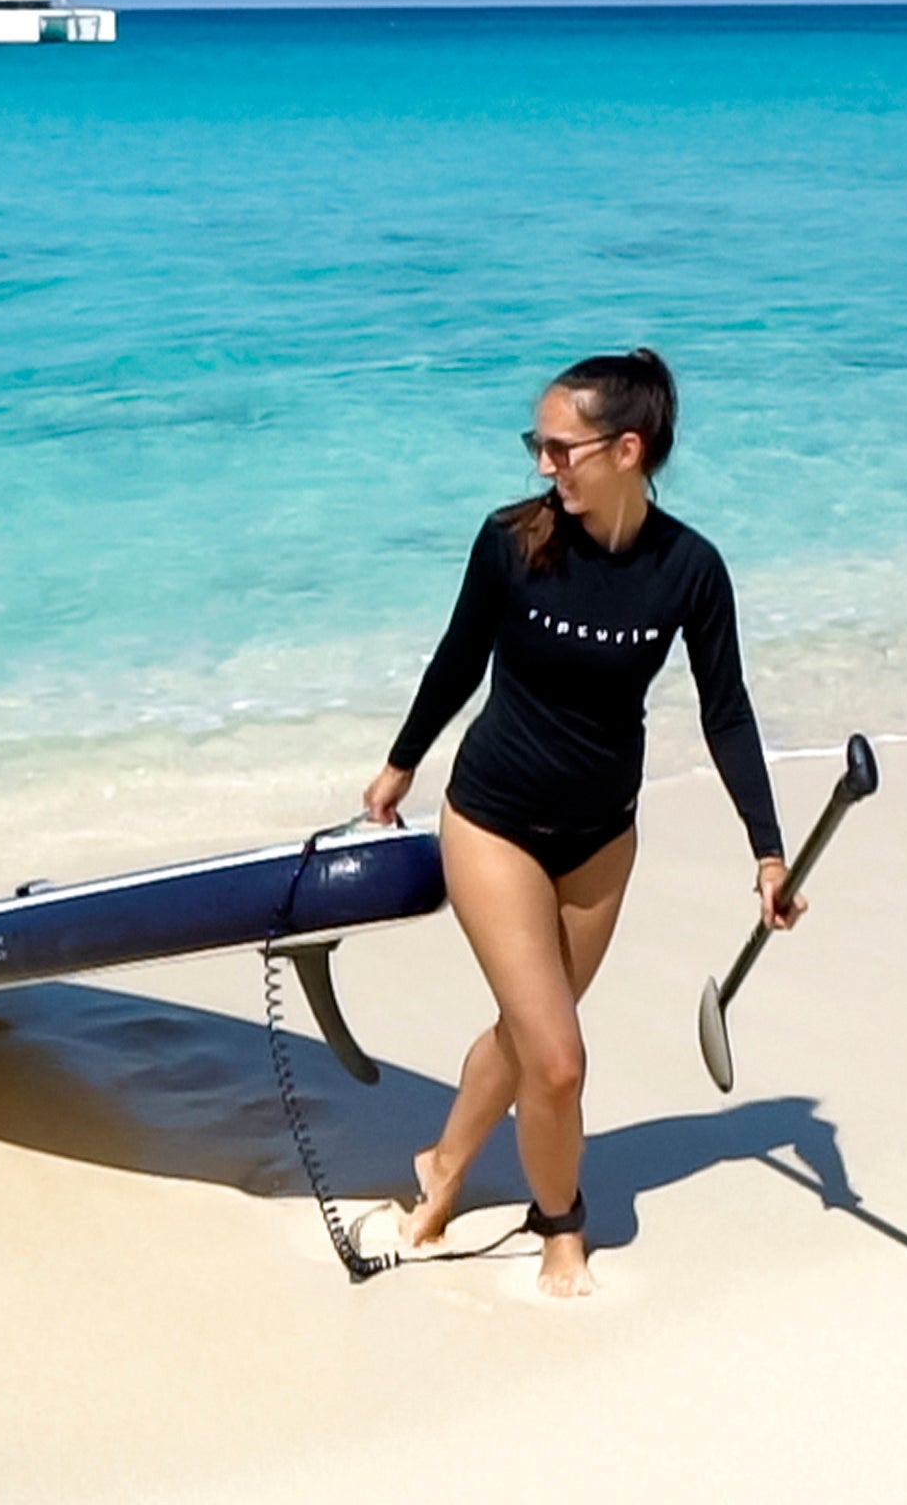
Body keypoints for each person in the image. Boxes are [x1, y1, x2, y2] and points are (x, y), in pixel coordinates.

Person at [363, 348, 799, 1298]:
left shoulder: (690, 570)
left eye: (560, 448)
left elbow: (727, 711)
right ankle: (560, 1218)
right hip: (494, 822)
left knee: (529, 1035)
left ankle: (442, 1172)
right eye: (540, 445)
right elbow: (458, 659)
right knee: (558, 1059)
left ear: (626, 449)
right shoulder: (512, 540)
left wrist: (768, 849)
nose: (544, 465)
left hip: (602, 837)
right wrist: (403, 762)